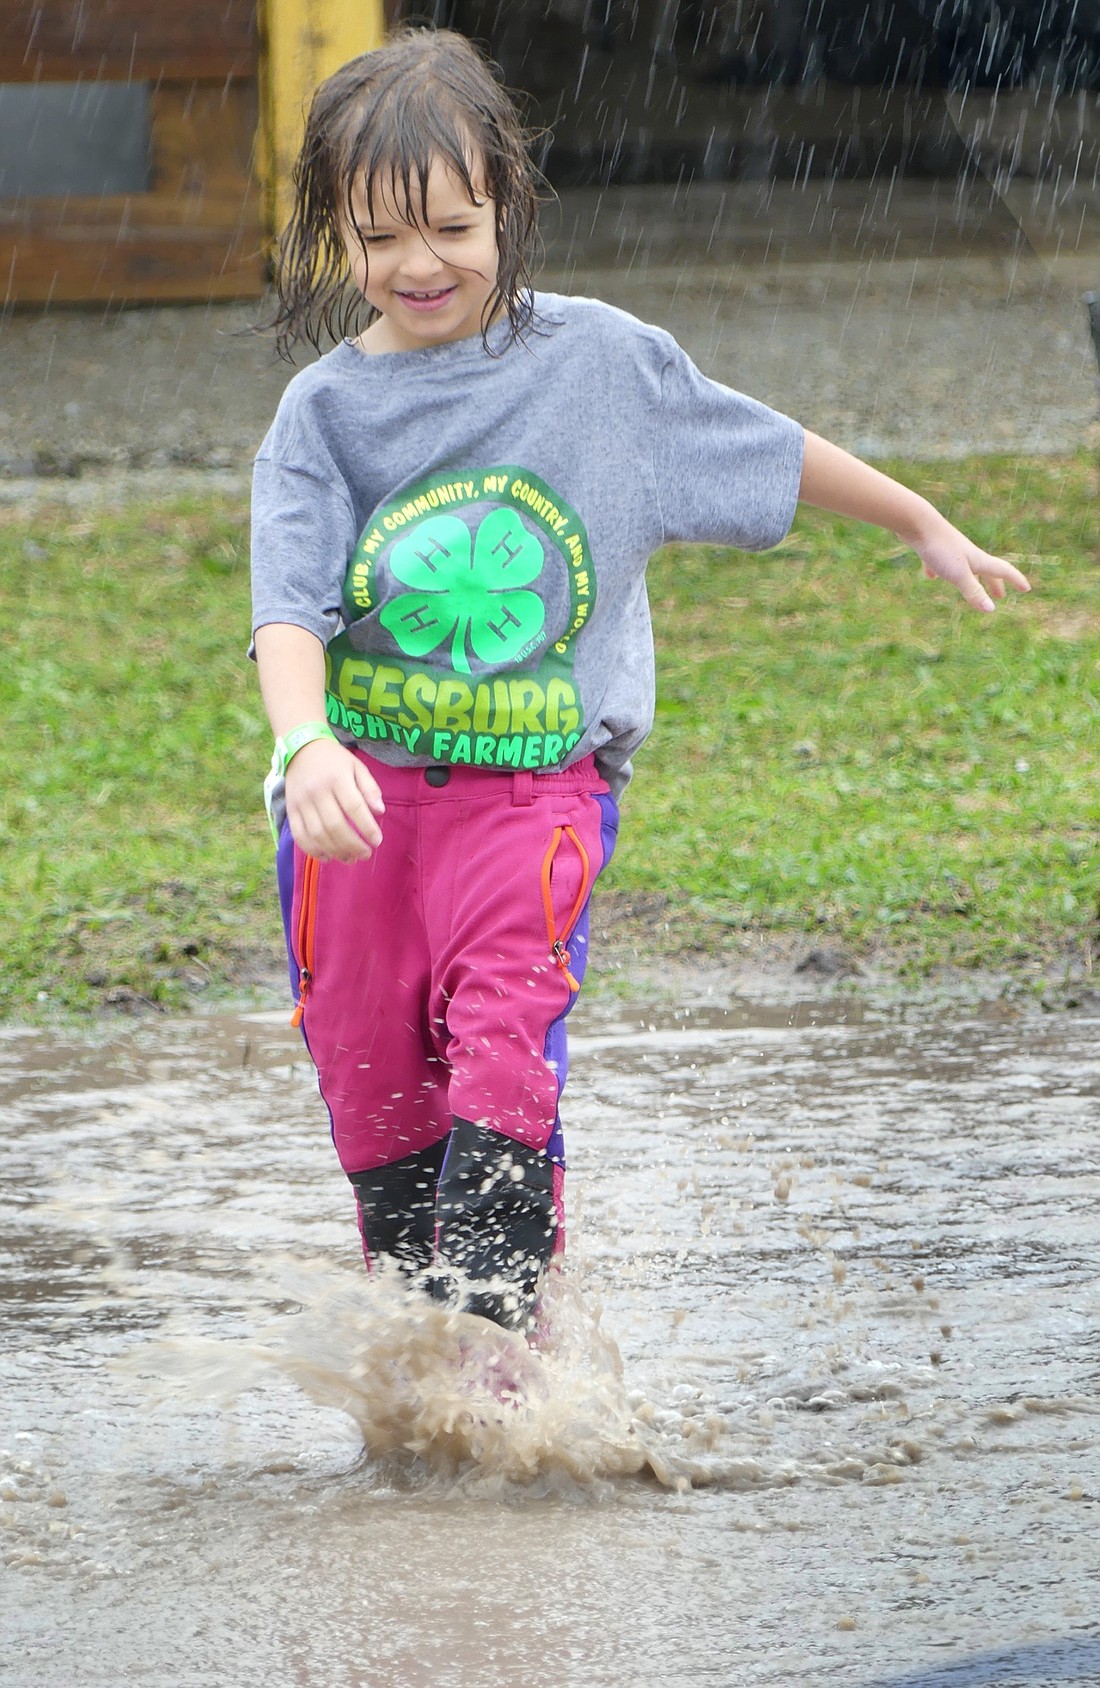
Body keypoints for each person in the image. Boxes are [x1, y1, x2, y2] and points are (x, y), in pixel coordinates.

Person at [250, 27, 1029, 1336]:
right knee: (378, 1110)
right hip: (360, 812)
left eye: (450, 225)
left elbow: (769, 451)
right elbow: (286, 608)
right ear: (337, 233)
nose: (418, 265)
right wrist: (305, 746)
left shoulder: (605, 369)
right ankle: (417, 1399)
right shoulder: (322, 417)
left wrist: (918, 521)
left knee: (503, 1079)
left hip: (529, 804)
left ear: (508, 204)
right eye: (379, 237)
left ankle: (518, 1406)